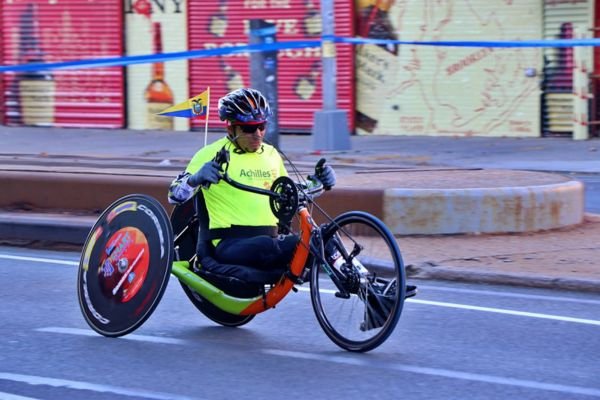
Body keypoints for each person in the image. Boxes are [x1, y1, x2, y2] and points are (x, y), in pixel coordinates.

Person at [168, 87, 416, 298]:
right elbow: (175, 195)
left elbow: (289, 194)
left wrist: (320, 182)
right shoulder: (209, 155)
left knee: (325, 238)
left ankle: (371, 289)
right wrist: (196, 178)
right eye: (249, 128)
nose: (258, 134)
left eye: (262, 126)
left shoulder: (271, 155)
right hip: (230, 245)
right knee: (281, 245)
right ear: (230, 127)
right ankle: (372, 294)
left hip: (269, 240)